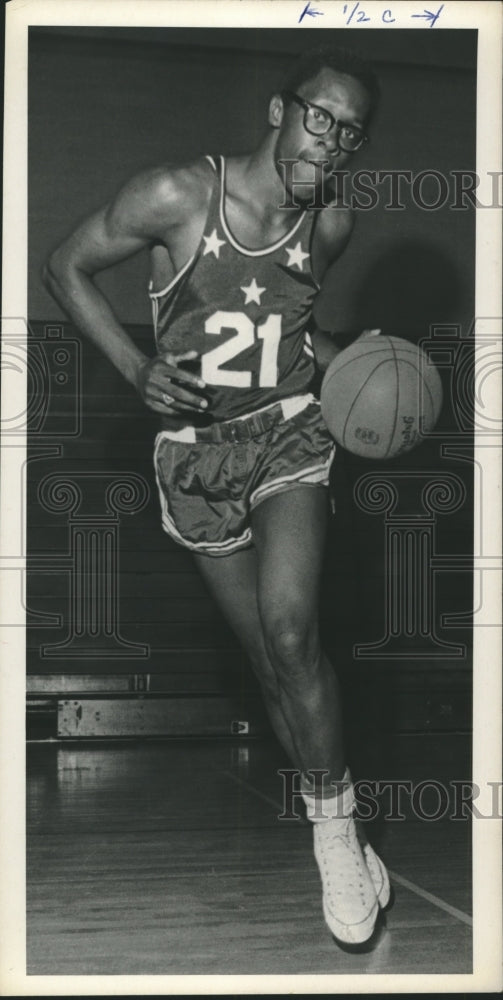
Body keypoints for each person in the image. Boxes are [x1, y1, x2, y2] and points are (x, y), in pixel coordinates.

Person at [43, 45, 390, 946]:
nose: (334, 139)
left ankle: (336, 838)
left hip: (287, 437)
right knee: (273, 666)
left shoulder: (331, 224)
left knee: (290, 628)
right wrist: (133, 368)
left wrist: (354, 372)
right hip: (194, 462)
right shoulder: (175, 195)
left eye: (352, 131)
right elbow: (64, 265)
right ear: (280, 110)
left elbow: (291, 335)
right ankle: (333, 807)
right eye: (321, 116)